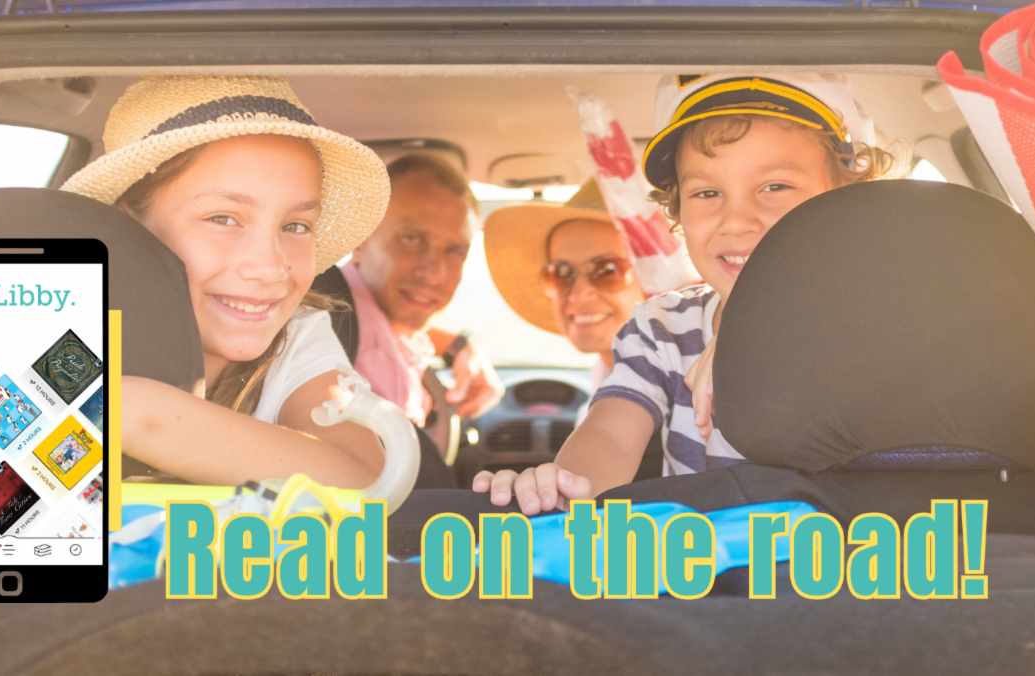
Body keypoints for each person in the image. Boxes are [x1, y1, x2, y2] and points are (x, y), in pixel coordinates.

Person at [474, 73, 901, 514]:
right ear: (677, 211)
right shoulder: (662, 328)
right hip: (701, 575)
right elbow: (610, 435)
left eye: (775, 187)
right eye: (707, 192)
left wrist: (761, 335)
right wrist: (565, 488)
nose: (736, 220)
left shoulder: (880, 322)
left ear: (847, 203)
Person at [61, 75, 398, 488]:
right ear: (126, 228)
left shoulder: (296, 337)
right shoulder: (58, 321)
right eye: (222, 219)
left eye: (295, 225)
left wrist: (133, 413)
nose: (270, 267)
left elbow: (367, 477)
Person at [318, 153, 505, 428]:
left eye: (455, 251)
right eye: (411, 238)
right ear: (359, 239)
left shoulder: (333, 307)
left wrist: (457, 345)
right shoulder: (374, 358)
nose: (434, 273)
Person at [481, 179, 646, 423]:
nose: (579, 294)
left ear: (656, 280)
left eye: (607, 271)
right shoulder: (605, 375)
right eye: (560, 274)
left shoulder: (687, 397)